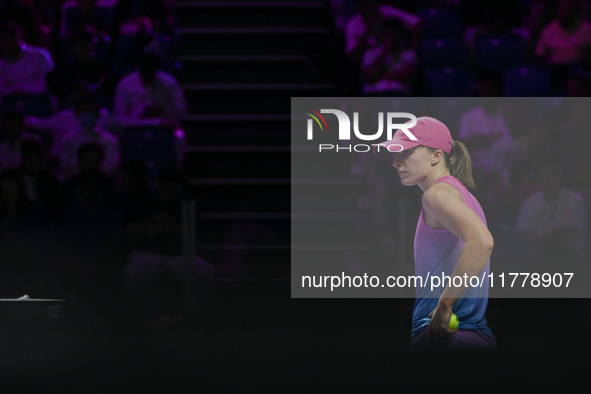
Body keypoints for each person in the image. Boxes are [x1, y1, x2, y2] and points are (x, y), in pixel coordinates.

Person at [375, 116, 497, 351]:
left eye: (405, 152)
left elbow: (482, 241)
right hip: (475, 337)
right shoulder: (461, 194)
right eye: (394, 154)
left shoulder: (436, 195)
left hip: (445, 338)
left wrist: (444, 305)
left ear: (436, 156)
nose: (396, 162)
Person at [361, 18, 417, 96]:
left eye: (394, 34)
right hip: (374, 94)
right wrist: (386, 50)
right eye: (388, 34)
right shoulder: (370, 53)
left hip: (398, 94)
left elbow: (405, 75)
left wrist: (381, 75)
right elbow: (370, 75)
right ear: (382, 35)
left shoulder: (408, 53)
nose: (391, 38)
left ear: (400, 36)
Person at [0, 21, 54, 100]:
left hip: (39, 101)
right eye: (0, 43)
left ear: (17, 38)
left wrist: (22, 89)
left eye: (6, 41)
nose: (3, 46)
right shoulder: (2, 64)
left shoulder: (39, 56)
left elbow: (48, 84)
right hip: (12, 104)